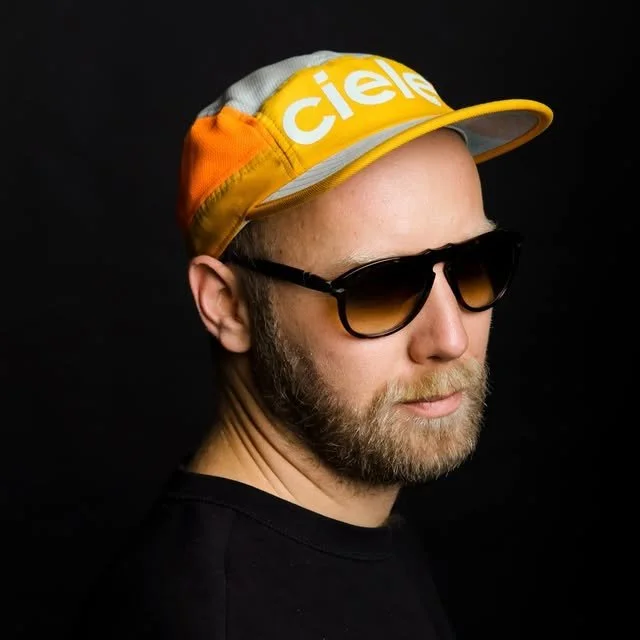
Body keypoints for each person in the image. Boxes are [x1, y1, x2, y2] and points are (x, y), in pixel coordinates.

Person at [75, 50, 553, 638]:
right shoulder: (208, 618)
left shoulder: (348, 533)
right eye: (378, 288)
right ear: (226, 305)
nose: (449, 339)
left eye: (476, 265)